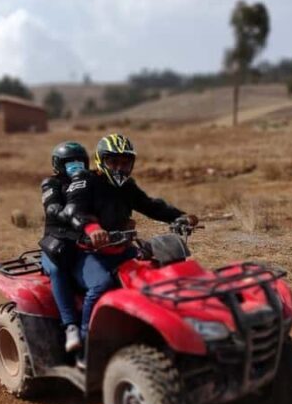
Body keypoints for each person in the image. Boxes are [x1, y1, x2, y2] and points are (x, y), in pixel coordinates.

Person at [66, 133, 198, 348]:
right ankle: (86, 342)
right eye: (113, 161)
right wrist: (93, 229)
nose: (119, 168)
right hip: (88, 253)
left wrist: (179, 216)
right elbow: (74, 210)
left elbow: (150, 205)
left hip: (120, 249)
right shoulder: (86, 181)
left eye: (125, 163)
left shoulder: (127, 186)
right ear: (101, 160)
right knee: (101, 285)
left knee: (154, 274)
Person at [39, 141, 89, 353]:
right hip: (57, 244)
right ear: (58, 165)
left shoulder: (89, 182)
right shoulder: (51, 183)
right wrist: (69, 216)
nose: (76, 166)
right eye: (70, 162)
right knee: (58, 269)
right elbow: (51, 206)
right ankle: (71, 326)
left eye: (80, 161)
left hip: (85, 242)